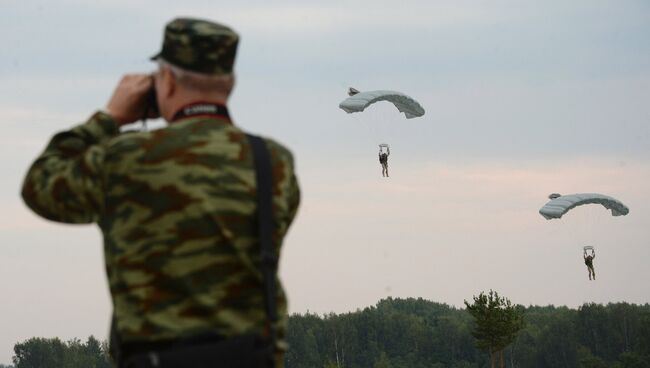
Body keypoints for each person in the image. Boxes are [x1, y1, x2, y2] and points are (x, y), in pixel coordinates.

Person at [21, 18, 300, 368]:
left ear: (165, 81)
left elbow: (39, 186)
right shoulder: (273, 163)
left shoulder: (126, 157)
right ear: (229, 84)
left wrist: (109, 118)